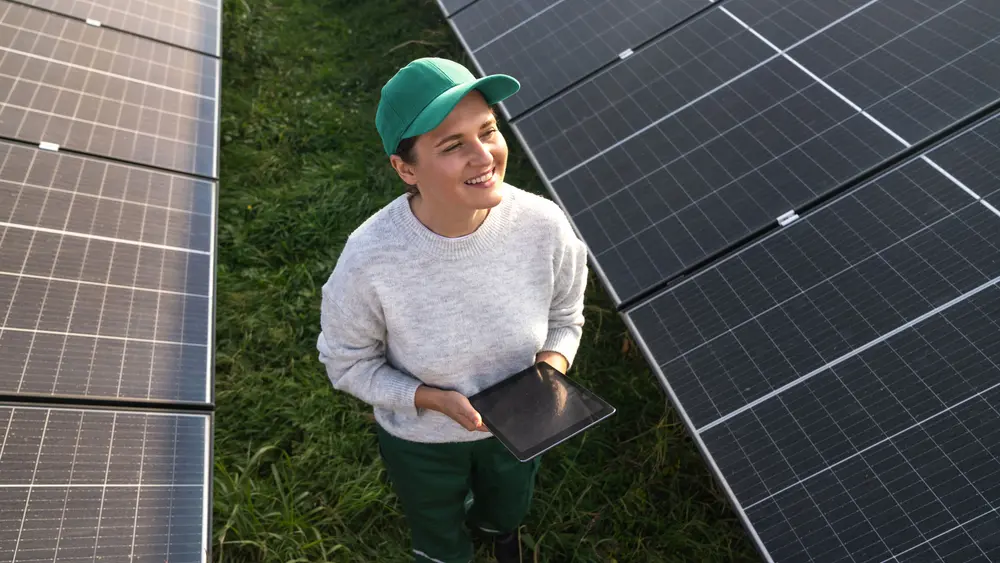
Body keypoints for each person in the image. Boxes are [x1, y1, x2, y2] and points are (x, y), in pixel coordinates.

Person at [316, 57, 589, 563]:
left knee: (510, 498)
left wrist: (549, 371)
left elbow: (566, 317)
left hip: (521, 423)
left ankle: (499, 528)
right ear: (405, 169)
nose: (483, 155)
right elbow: (347, 362)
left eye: (488, 130)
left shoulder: (544, 226)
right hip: (421, 439)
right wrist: (429, 399)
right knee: (434, 516)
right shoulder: (370, 259)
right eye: (452, 145)